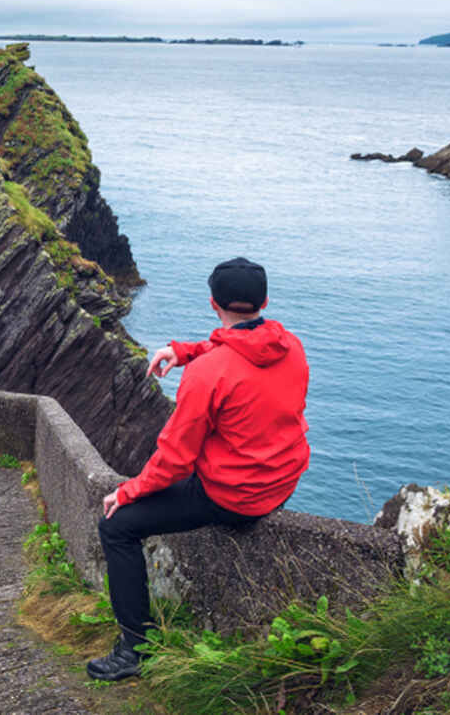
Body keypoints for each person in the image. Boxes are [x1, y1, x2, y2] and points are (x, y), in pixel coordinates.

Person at [85, 257, 311, 681]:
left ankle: (134, 649)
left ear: (213, 304)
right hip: (283, 480)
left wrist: (128, 492)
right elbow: (241, 348)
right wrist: (184, 351)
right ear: (265, 301)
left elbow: (174, 461)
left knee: (117, 527)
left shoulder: (209, 374)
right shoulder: (291, 346)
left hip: (235, 496)